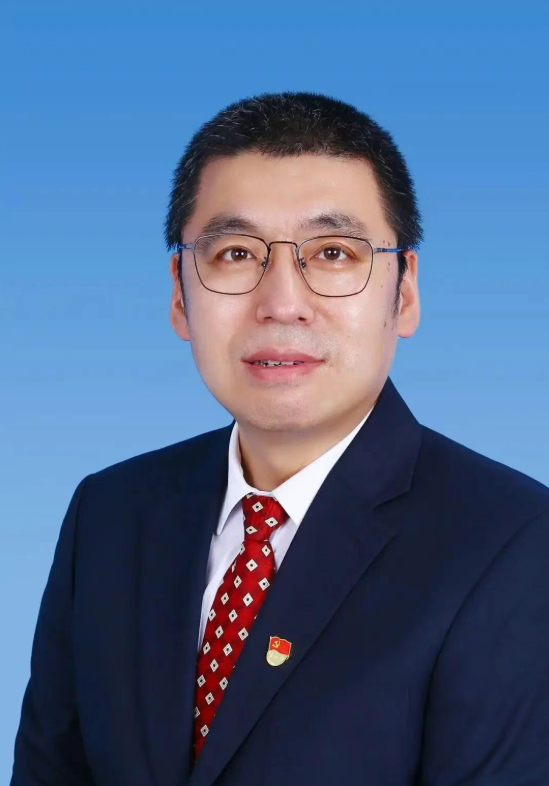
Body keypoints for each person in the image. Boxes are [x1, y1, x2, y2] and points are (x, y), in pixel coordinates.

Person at [10, 91, 549, 786]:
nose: (282, 303)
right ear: (179, 293)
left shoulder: (513, 542)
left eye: (333, 253)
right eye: (236, 253)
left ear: (405, 292)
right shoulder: (110, 514)